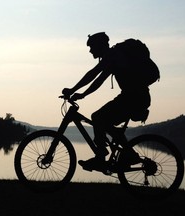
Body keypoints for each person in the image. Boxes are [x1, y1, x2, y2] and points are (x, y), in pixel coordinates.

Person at [62, 32, 151, 172]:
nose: (90, 50)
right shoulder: (112, 57)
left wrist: (75, 91)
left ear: (99, 46)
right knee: (104, 121)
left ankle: (101, 157)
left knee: (98, 117)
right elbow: (97, 79)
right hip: (133, 97)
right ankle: (128, 153)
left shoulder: (113, 56)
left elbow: (94, 75)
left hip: (134, 98)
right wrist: (81, 93)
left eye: (91, 47)